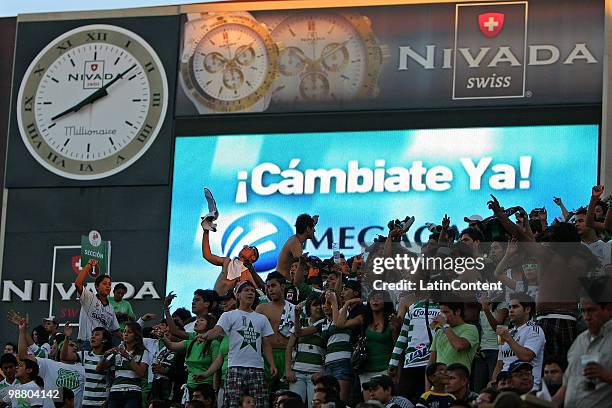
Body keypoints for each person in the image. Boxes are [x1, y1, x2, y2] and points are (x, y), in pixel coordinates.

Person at [201, 280, 277, 408]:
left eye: (252, 291)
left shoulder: (261, 318)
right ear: (238, 295)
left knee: (259, 403)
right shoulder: (228, 315)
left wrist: (272, 364)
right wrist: (205, 336)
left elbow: (266, 344)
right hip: (235, 367)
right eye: (246, 290)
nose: (250, 293)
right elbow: (216, 331)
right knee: (233, 403)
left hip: (257, 368)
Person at [10, 311, 86, 408]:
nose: (75, 348)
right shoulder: (49, 365)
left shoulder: (83, 369)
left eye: (76, 347)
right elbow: (23, 356)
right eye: (71, 345)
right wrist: (22, 331)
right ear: (61, 348)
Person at [553, 285, 612, 408]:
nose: (586, 317)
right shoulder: (579, 341)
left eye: (591, 310)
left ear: (608, 309)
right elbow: (566, 386)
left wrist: (606, 375)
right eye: (583, 311)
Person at [389, 294, 440, 402]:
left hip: (431, 363)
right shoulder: (413, 307)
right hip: (411, 363)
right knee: (402, 400)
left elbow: (434, 329)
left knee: (424, 400)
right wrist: (393, 363)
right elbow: (403, 336)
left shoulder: (443, 308)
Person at [491, 293, 545, 391]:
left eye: (515, 307)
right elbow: (499, 364)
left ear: (527, 309)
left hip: (527, 387)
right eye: (510, 307)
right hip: (504, 386)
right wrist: (493, 383)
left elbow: (527, 356)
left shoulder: (535, 329)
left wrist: (509, 338)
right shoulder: (506, 332)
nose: (511, 310)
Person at [202, 215, 264, 295]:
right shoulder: (227, 262)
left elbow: (260, 292)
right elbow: (207, 255)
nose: (245, 246)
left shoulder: (251, 274)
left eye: (250, 247)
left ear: (253, 257)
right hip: (218, 302)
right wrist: (206, 231)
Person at [161, 314, 219, 399]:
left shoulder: (214, 343)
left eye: (202, 320)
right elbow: (171, 345)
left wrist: (214, 390)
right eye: (197, 319)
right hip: (189, 386)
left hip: (206, 387)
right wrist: (162, 336)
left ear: (209, 325)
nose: (197, 321)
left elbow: (216, 369)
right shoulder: (191, 341)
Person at [256, 272, 295, 392]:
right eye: (268, 287)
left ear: (282, 286)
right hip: (268, 355)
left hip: (287, 355)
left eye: (273, 286)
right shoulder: (261, 308)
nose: (270, 290)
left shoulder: (293, 309)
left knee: (285, 395)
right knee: (265, 394)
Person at [96, 322, 150, 408]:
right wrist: (105, 355)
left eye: (129, 332)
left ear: (136, 335)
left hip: (133, 391)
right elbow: (99, 369)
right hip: (115, 391)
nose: (125, 334)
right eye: (124, 331)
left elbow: (141, 373)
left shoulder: (143, 352)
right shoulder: (118, 351)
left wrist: (128, 356)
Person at [285, 294, 326, 407]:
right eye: (315, 305)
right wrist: (288, 370)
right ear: (308, 307)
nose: (318, 307)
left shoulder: (326, 325)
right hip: (297, 374)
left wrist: (323, 372)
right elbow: (289, 349)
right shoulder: (301, 323)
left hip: (317, 374)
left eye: (321, 304)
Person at [59, 324, 113, 407]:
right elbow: (64, 356)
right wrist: (67, 337)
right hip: (86, 403)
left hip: (102, 403)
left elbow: (113, 381)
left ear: (104, 340)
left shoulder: (110, 357)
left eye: (97, 334)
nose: (93, 337)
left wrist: (108, 400)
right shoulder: (84, 354)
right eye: (92, 335)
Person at [427, 301, 479, 381]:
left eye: (446, 312)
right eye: (441, 312)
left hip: (458, 382)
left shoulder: (470, 328)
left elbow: (459, 345)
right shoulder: (439, 332)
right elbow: (431, 363)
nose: (442, 315)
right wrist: (428, 389)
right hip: (439, 384)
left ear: (457, 311)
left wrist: (445, 325)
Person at [75, 259, 120, 350]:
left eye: (109, 284)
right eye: (104, 283)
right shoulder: (89, 297)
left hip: (103, 346)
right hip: (86, 343)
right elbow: (78, 284)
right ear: (96, 286)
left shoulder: (110, 308)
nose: (108, 286)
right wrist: (89, 265)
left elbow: (115, 331)